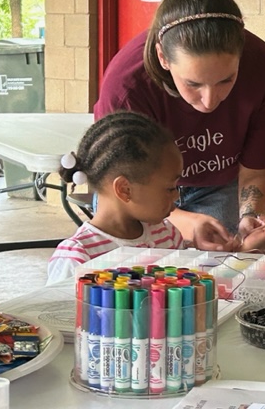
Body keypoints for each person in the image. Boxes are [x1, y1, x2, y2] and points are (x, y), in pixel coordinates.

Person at [94, 0, 265, 253]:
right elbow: (122, 190)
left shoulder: (263, 66)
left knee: (219, 274)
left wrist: (249, 218)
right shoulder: (127, 85)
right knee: (134, 278)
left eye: (226, 80)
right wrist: (188, 224)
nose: (209, 101)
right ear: (163, 58)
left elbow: (257, 168)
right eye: (193, 84)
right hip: (138, 190)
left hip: (217, 185)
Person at [47, 111, 187, 284]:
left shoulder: (167, 236)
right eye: (170, 188)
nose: (176, 196)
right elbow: (57, 310)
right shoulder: (79, 258)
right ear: (124, 189)